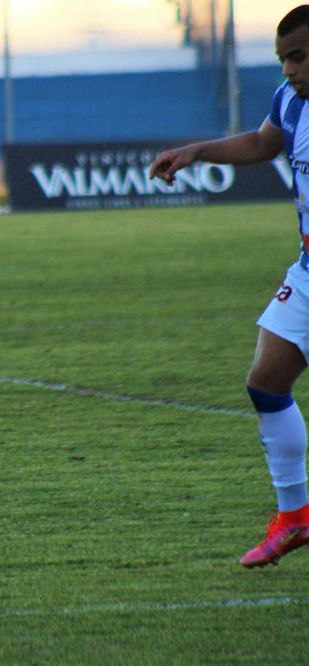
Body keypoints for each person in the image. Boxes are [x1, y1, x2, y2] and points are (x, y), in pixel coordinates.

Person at [149, 5, 309, 568]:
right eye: (284, 58)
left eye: (300, 57)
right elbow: (263, 145)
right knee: (266, 382)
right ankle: (295, 518)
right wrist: (196, 152)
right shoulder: (290, 102)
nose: (290, 69)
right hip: (308, 272)